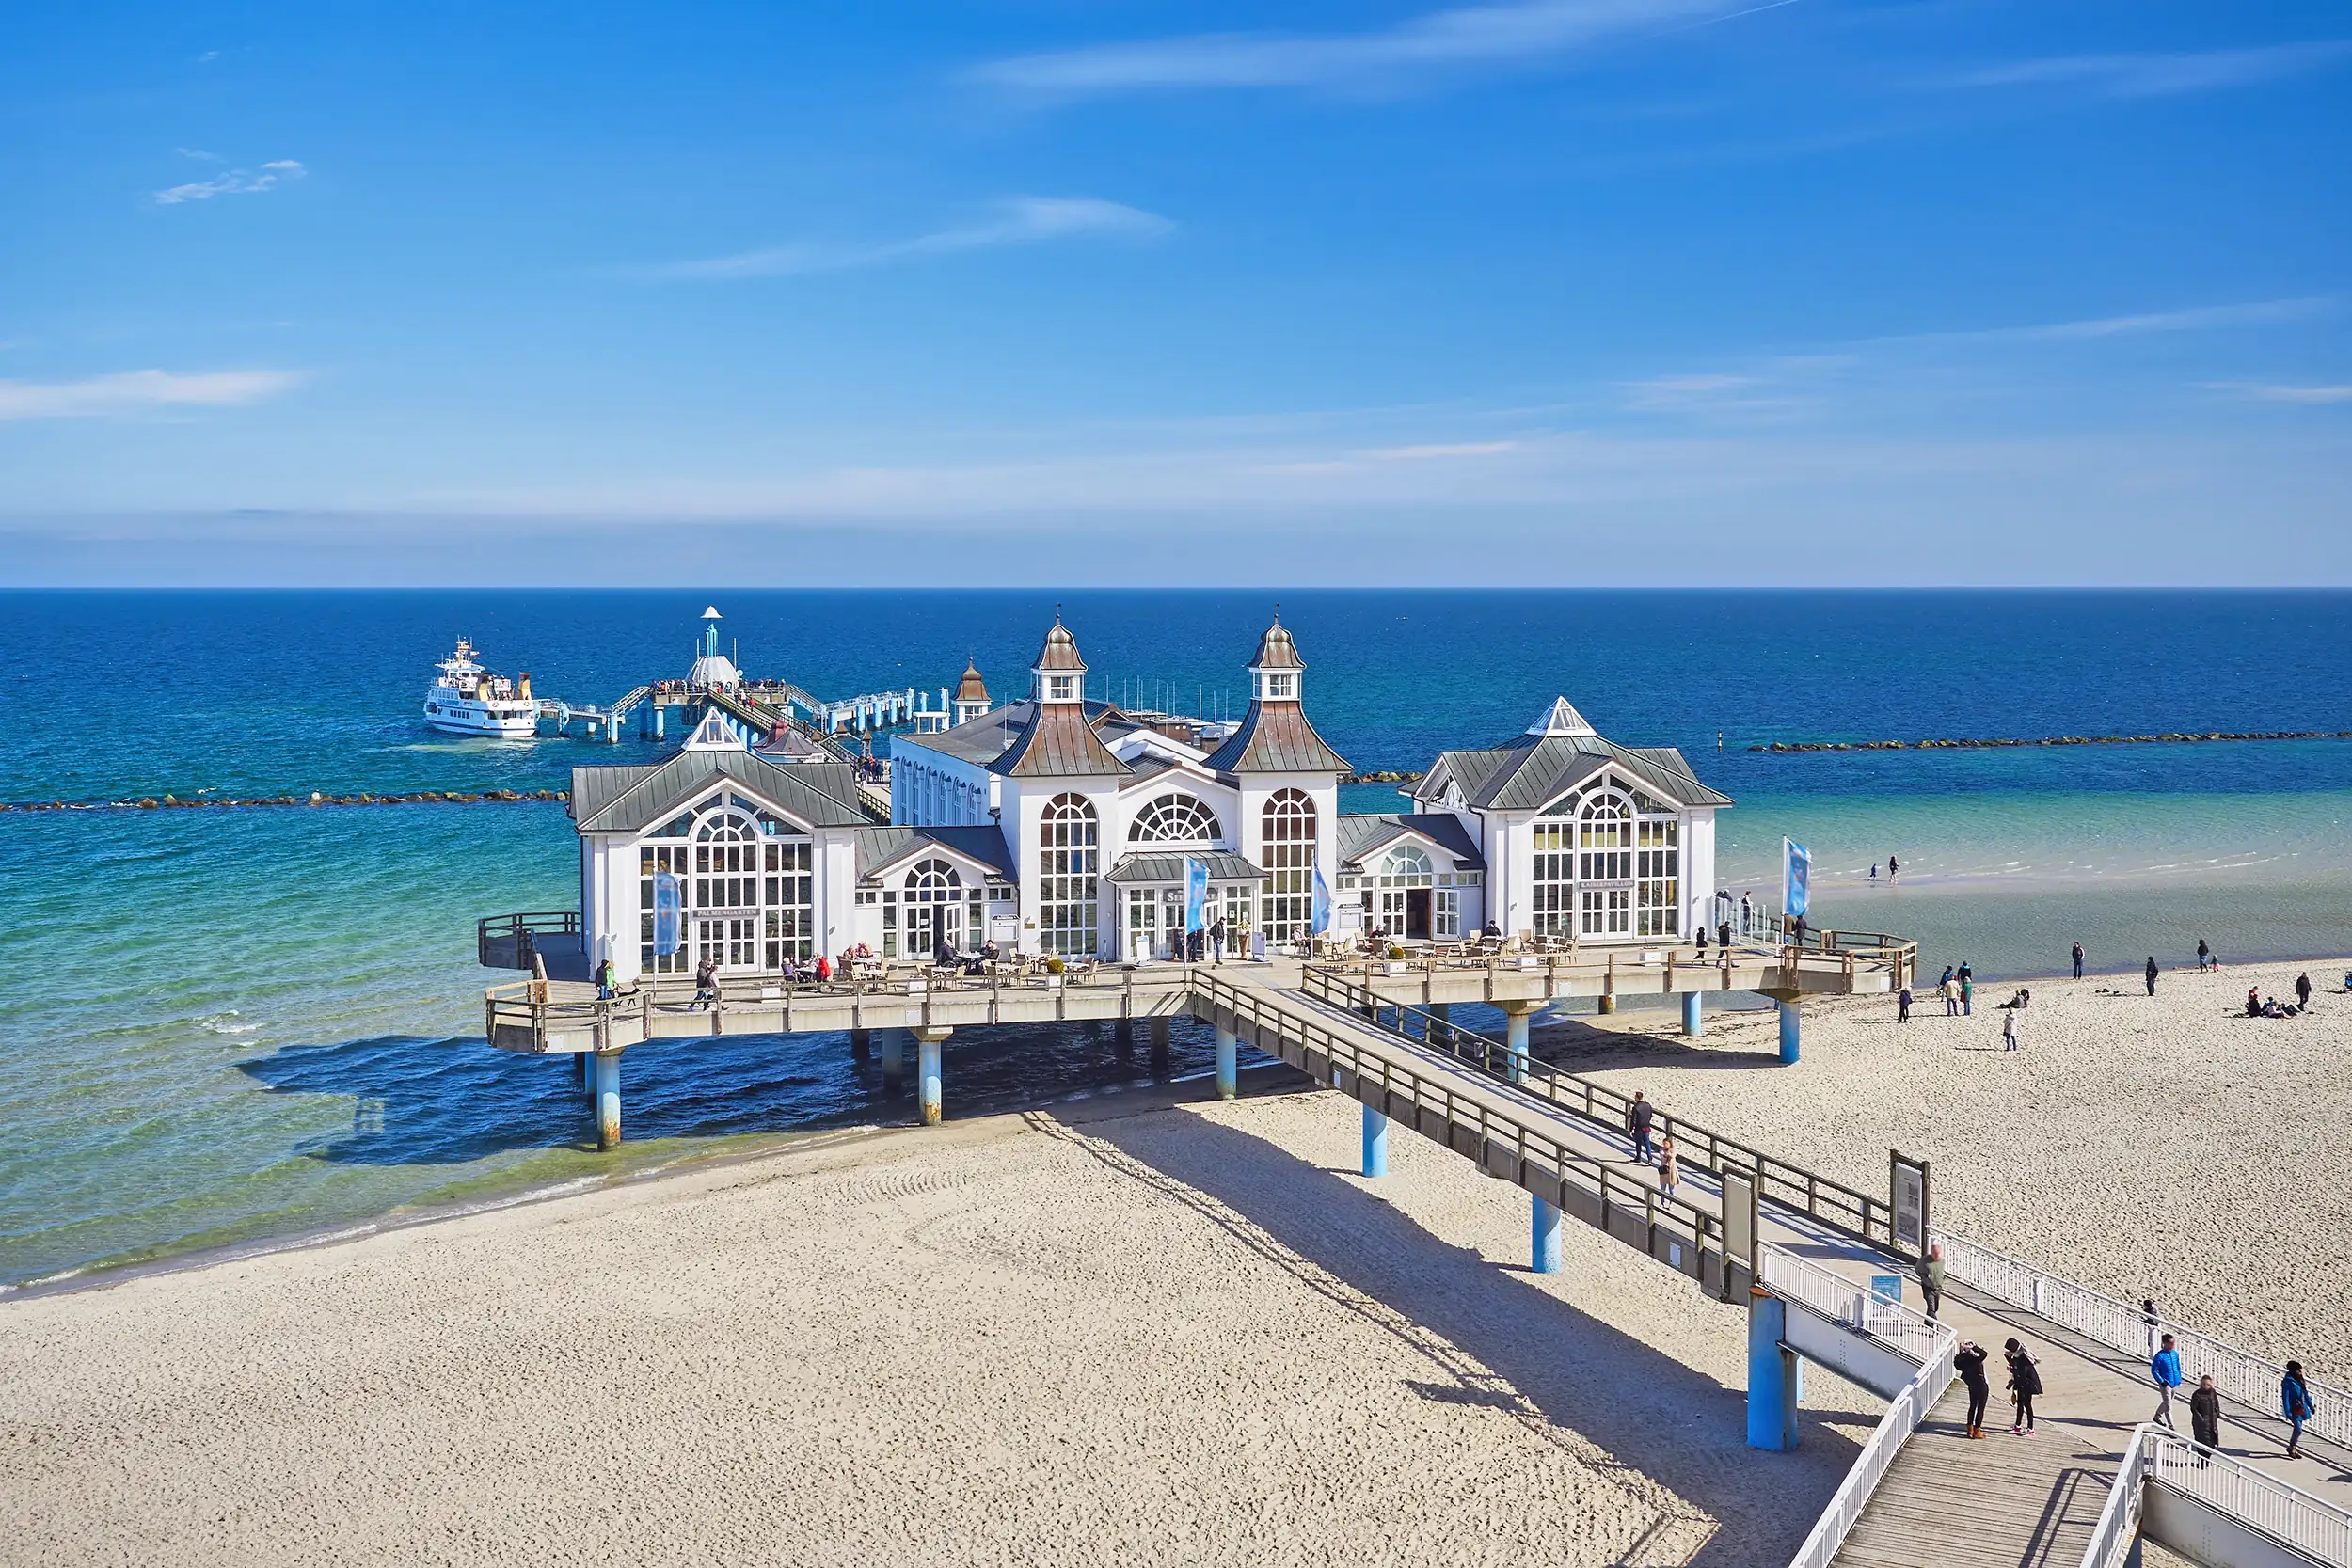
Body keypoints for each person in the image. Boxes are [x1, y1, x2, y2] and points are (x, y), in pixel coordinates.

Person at [2005, 1338, 2042, 1434]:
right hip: (2022, 1384)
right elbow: (2014, 1363)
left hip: (2029, 1384)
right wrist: (2008, 1357)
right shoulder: (2018, 1356)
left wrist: (2012, 1370)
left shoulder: (2024, 1359)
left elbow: (2022, 1373)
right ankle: (2018, 1425)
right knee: (2020, 1404)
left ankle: (2031, 1429)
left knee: (2027, 1405)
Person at [1956, 1338, 1992, 1438]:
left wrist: (1962, 1350)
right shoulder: (1975, 1359)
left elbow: (1957, 1362)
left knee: (1972, 1407)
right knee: (1980, 1409)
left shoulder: (1962, 1361)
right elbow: (1984, 1354)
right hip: (1981, 1385)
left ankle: (1970, 1429)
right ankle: (1977, 1431)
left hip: (1972, 1385)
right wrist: (1974, 1347)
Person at [2283, 1361, 2317, 1457]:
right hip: (2293, 1408)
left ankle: (2292, 1447)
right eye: (2298, 1370)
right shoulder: (2287, 1381)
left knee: (2298, 1429)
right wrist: (2287, 1412)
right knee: (2298, 1429)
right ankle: (2292, 1446)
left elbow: (2305, 1394)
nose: (2300, 1372)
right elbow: (2285, 1397)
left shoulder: (2300, 1380)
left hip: (2301, 1407)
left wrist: (2311, 1406)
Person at [2151, 1333, 2184, 1429]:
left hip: (2175, 1382)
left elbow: (2177, 1367)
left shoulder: (2175, 1354)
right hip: (2165, 1383)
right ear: (2165, 1343)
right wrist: (2161, 1381)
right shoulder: (2159, 1356)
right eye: (2171, 1343)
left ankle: (2157, 1416)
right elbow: (2154, 1371)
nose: (2173, 1344)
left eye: (2174, 1342)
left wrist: (2179, 1378)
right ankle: (2171, 1427)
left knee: (2167, 1401)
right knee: (2168, 1406)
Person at [2191, 1374, 2222, 1456]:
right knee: (2202, 1442)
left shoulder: (2212, 1392)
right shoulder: (2197, 1394)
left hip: (2212, 1421)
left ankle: (2207, 1459)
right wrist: (2201, 1420)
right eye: (2204, 1384)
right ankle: (2202, 1460)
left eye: (2208, 1384)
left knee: (2212, 1442)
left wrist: (2217, 1413)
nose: (2206, 1386)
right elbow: (2194, 1409)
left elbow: (2216, 1403)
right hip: (2201, 1423)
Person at [1918, 1243, 1946, 1322]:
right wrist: (1925, 1278)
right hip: (1928, 1288)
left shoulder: (1942, 1261)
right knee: (1931, 1307)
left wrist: (1943, 1278)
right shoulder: (1924, 1261)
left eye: (1938, 1254)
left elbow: (1941, 1271)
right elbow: (1918, 1270)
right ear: (1931, 1252)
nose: (1937, 1256)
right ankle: (1936, 1326)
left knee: (1935, 1308)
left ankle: (1927, 1321)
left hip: (1938, 1288)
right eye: (1935, 1254)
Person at [1627, 1091, 1656, 1165]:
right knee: (1647, 1143)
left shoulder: (1636, 1108)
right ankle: (1650, 1159)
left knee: (1638, 1143)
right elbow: (1650, 1115)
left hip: (1639, 1128)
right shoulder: (1648, 1105)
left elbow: (1634, 1120)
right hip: (1646, 1127)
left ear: (1636, 1097)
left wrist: (1631, 1129)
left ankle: (1638, 1157)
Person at [1657, 1134, 1680, 1200]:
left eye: (1666, 1144)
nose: (1665, 1145)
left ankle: (1671, 1203)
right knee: (1662, 1188)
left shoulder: (1673, 1150)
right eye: (1664, 1144)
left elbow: (1673, 1156)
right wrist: (1665, 1154)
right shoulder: (1662, 1150)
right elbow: (1662, 1155)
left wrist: (1668, 1154)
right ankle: (1662, 1202)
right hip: (1664, 1170)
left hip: (1671, 1171)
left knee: (1671, 1189)